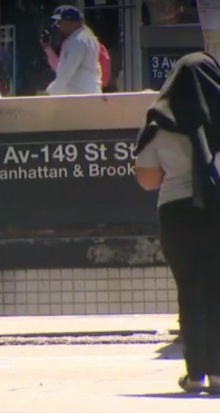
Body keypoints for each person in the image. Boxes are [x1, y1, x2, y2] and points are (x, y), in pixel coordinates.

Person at [134, 52, 220, 395]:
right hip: (216, 212)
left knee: (190, 290)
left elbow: (148, 180)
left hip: (177, 215)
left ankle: (195, 374)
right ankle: (218, 373)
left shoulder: (159, 122)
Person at [44, 5, 102, 95]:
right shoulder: (89, 37)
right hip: (90, 91)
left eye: (61, 22)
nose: (59, 26)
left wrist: (48, 94)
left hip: (80, 93)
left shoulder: (77, 41)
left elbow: (65, 73)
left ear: (72, 22)